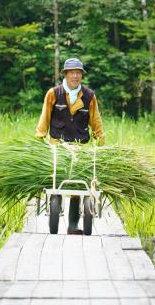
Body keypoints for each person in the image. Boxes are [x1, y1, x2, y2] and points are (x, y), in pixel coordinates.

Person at [35, 57, 105, 234]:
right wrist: (39, 138)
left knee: (77, 186)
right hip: (58, 145)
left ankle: (73, 225)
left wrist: (100, 140)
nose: (75, 76)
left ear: (81, 75)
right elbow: (45, 117)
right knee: (57, 180)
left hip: (79, 146)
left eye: (78, 73)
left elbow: (95, 121)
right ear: (65, 74)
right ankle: (55, 207)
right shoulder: (54, 93)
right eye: (72, 73)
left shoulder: (89, 96)